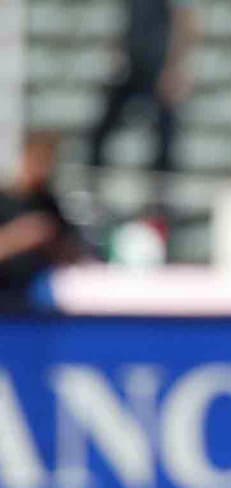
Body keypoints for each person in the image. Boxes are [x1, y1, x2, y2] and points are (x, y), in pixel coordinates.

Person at [87, 0, 201, 212]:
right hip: (132, 66)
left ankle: (162, 198)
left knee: (165, 134)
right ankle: (93, 188)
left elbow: (186, 20)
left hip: (159, 66)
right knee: (101, 130)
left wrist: (175, 67)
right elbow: (127, 23)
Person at [0, 132, 88, 312]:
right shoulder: (3, 201)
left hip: (36, 291)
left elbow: (69, 253)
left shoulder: (48, 204)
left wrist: (51, 242)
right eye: (37, 161)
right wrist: (19, 236)